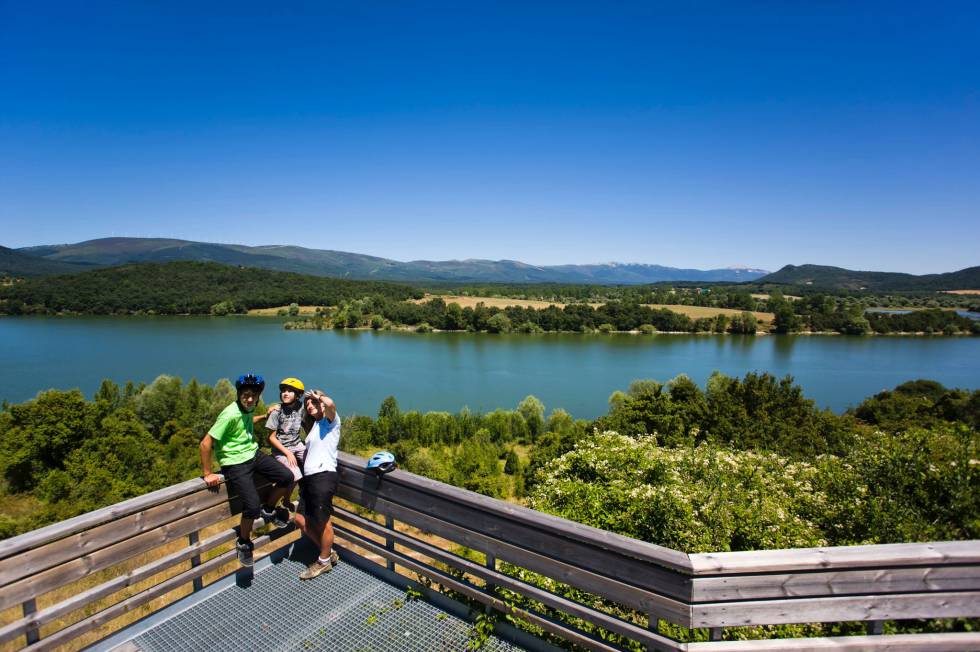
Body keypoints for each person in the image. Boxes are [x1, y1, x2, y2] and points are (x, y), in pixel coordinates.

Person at [200, 373, 295, 566]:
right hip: (235, 463)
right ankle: (243, 542)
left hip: (253, 454)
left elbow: (247, 421)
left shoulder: (247, 408)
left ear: (258, 395)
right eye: (246, 395)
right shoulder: (229, 414)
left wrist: (265, 416)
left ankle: (268, 509)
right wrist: (208, 473)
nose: (250, 399)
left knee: (286, 476)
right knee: (251, 506)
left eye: (254, 395)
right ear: (239, 394)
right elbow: (205, 443)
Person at [294, 389, 341, 580]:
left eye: (313, 403)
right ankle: (327, 552)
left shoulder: (331, 422)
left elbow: (330, 404)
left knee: (322, 521)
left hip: (323, 476)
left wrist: (318, 396)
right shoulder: (314, 425)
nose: (310, 406)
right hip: (310, 478)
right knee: (299, 519)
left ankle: (323, 562)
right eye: (308, 405)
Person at [265, 377, 307, 509]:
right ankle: (282, 501)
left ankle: (303, 494)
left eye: (290, 391)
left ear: (298, 395)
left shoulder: (301, 407)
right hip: (281, 449)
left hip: (297, 444)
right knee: (295, 475)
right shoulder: (277, 411)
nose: (286, 393)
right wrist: (288, 453)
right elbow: (271, 438)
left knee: (312, 462)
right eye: (284, 390)